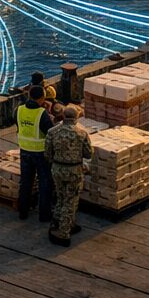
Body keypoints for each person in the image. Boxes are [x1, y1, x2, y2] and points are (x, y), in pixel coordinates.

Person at [44, 104, 93, 246]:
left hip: (57, 169)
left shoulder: (52, 132)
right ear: (77, 118)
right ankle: (64, 232)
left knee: (60, 196)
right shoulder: (81, 134)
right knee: (70, 201)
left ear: (63, 116)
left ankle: (57, 223)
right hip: (73, 171)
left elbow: (47, 153)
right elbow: (88, 153)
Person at [16, 85, 54, 222]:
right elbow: (50, 132)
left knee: (26, 182)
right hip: (40, 152)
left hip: (24, 151)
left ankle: (22, 211)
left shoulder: (19, 110)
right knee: (45, 183)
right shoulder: (41, 113)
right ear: (42, 98)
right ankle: (44, 215)